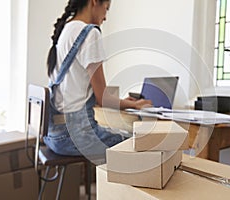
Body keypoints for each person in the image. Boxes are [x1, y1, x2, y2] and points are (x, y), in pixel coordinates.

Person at [44, 0, 152, 164]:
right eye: (106, 9)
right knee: (139, 144)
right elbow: (102, 98)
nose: (106, 17)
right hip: (77, 136)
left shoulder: (66, 28)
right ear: (94, 2)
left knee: (117, 134)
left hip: (55, 136)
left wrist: (124, 102)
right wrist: (134, 105)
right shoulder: (90, 33)